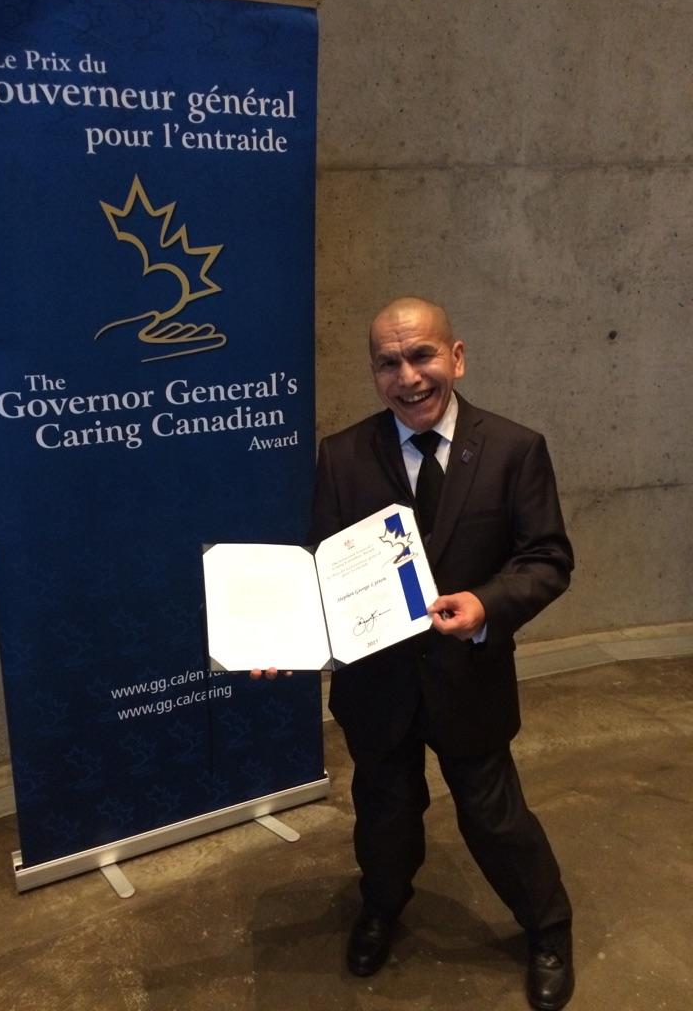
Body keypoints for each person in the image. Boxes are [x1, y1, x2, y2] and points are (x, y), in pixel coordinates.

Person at [305, 296, 575, 1010]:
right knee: (383, 813)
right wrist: (288, 640)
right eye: (388, 363)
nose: (408, 376)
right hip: (377, 686)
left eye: (422, 355)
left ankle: (548, 927)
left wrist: (487, 604)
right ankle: (381, 908)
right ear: (373, 373)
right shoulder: (340, 456)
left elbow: (547, 559)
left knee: (494, 816)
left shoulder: (515, 449)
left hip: (470, 677)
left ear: (456, 357)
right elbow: (321, 572)